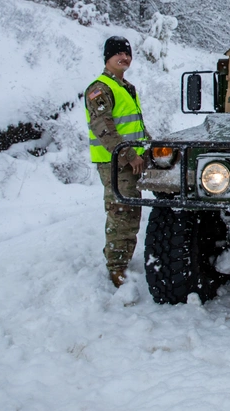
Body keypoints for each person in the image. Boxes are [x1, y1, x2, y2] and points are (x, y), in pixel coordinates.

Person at [85, 36, 150, 288]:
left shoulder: (125, 87)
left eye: (128, 53)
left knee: (131, 212)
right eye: (118, 54)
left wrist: (150, 147)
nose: (124, 57)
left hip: (131, 160)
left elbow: (134, 126)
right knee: (121, 212)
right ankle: (116, 268)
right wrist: (128, 155)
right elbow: (104, 128)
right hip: (116, 162)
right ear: (107, 58)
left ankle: (121, 259)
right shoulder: (99, 89)